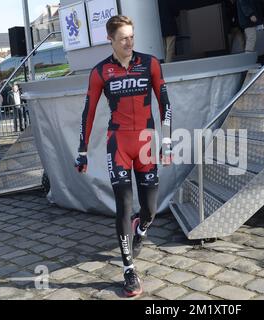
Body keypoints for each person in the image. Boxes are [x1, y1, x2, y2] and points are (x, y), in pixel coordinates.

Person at [75, 15, 173, 298]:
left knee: (150, 209)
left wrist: (166, 140)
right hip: (118, 142)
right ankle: (129, 268)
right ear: (111, 40)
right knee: (123, 204)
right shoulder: (100, 72)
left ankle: (140, 230)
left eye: (132, 36)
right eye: (123, 38)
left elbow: (165, 103)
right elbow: (89, 113)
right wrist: (82, 150)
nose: (129, 42)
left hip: (145, 141)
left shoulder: (150, 63)